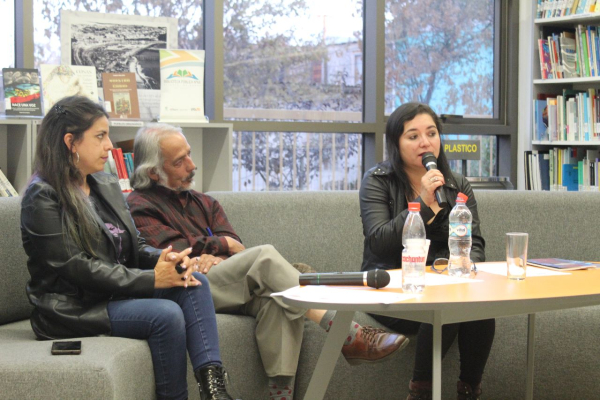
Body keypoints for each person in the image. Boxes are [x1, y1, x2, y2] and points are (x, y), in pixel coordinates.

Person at [126, 123, 410, 400]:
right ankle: (348, 335)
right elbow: (175, 253)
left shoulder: (204, 203)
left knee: (277, 300)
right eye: (180, 161)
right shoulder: (139, 205)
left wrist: (216, 254)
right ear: (154, 172)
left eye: (189, 154)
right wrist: (219, 246)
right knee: (264, 257)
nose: (191, 165)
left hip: (221, 284)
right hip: (186, 291)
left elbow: (235, 245)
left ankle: (281, 396)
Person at [20, 96, 236, 400]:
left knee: (194, 280)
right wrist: (153, 279)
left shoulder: (104, 184)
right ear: (71, 141)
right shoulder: (42, 196)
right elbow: (74, 266)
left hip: (112, 293)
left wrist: (165, 259)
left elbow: (134, 245)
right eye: (100, 136)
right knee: (166, 314)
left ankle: (214, 391)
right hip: (71, 310)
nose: (110, 145)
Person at [359, 103, 495, 400]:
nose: (425, 142)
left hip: (441, 284)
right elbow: (379, 241)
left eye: (431, 133)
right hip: (390, 287)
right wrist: (420, 201)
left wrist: (469, 268)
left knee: (481, 308)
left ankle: (469, 390)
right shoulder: (378, 180)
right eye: (413, 136)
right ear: (396, 143)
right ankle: (419, 393)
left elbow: (476, 242)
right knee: (444, 304)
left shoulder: (457, 184)